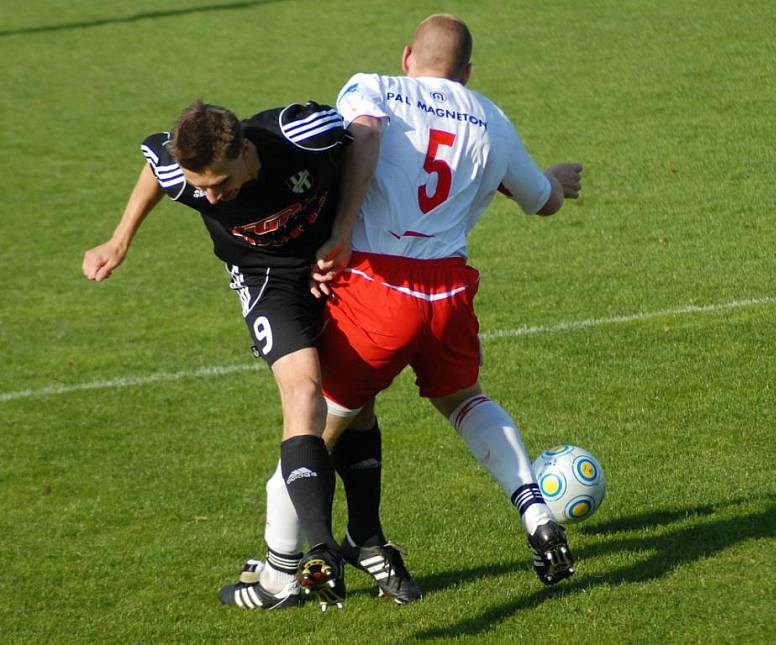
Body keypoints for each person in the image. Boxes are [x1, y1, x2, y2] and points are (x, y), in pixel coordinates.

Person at [231, 13, 583, 610]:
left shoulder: (373, 86)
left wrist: (340, 230)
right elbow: (543, 202)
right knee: (466, 399)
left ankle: (278, 574)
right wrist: (554, 179)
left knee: (312, 428)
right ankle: (534, 510)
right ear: (467, 72)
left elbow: (363, 138)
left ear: (407, 55)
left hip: (375, 286)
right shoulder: (490, 117)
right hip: (447, 293)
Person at [81, 100, 368, 610]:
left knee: (358, 399)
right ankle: (321, 551)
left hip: (339, 263)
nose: (210, 197)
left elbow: (366, 136)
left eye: (219, 183)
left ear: (247, 151)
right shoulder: (180, 171)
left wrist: (343, 233)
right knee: (304, 394)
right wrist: (119, 240)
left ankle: (365, 539)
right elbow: (155, 170)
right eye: (199, 187)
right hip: (266, 281)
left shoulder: (301, 133)